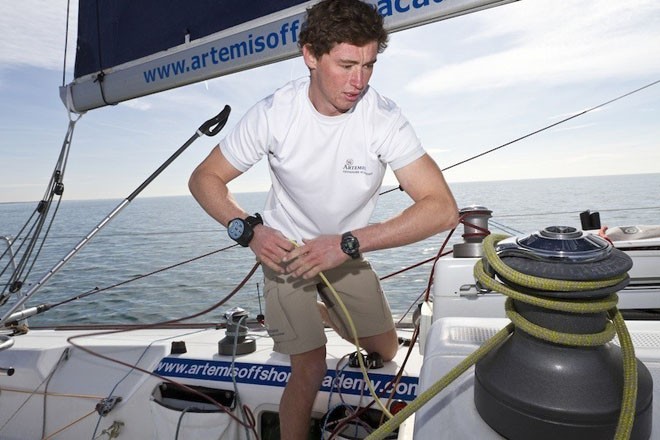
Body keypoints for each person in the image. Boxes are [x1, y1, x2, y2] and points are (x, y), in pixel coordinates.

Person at [188, 0, 458, 437]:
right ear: (310, 55)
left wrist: (348, 243)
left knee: (385, 348)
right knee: (310, 367)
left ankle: (319, 311)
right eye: (347, 64)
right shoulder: (275, 113)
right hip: (286, 254)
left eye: (370, 65)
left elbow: (441, 208)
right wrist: (250, 231)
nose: (359, 82)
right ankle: (301, 321)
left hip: (344, 249)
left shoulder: (384, 118)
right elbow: (205, 179)